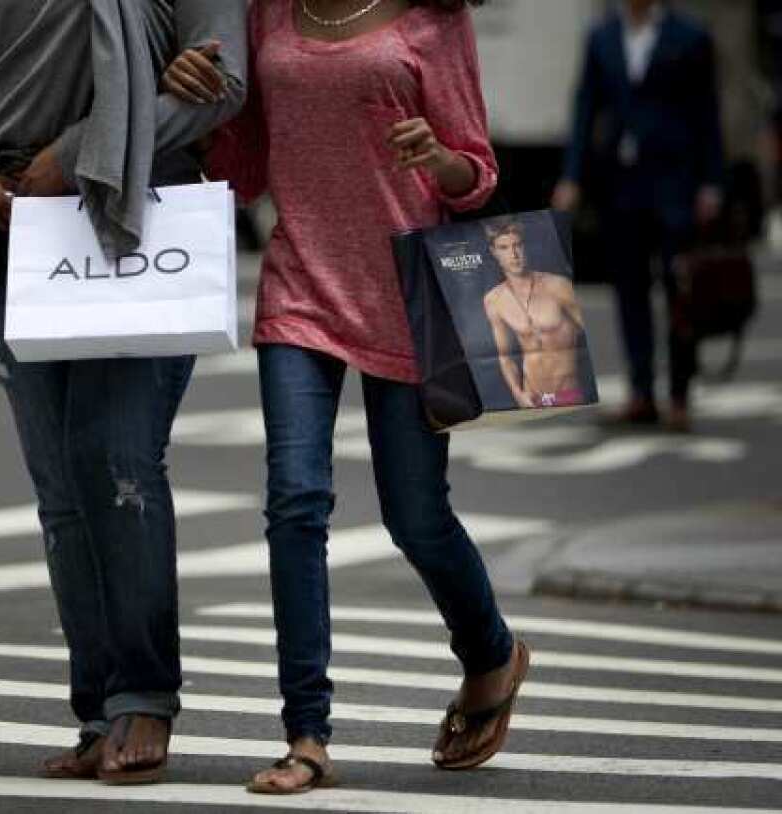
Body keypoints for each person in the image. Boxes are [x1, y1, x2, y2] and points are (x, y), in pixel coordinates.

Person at [163, 0, 528, 794]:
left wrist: (436, 157)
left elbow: (476, 177)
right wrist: (192, 110)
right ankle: (307, 735)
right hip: (300, 289)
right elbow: (245, 168)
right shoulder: (269, 15)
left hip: (409, 296)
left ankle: (492, 653)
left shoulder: (433, 19)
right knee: (295, 501)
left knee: (417, 519)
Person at [0, 0, 247, 785]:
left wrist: (86, 150)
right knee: (61, 487)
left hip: (129, 215)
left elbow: (222, 81)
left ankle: (143, 698)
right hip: (2, 227)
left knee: (116, 462)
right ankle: (97, 709)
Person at [552, 0, 724, 433]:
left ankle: (680, 394)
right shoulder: (602, 37)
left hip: (676, 183)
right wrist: (573, 175)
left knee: (679, 288)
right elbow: (585, 108)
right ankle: (641, 391)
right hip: (620, 183)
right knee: (629, 290)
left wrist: (712, 182)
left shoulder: (690, 36)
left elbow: (707, 113)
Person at [482, 220, 587, 409]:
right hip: (533, 394)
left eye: (518, 245)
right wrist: (518, 394)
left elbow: (589, 334)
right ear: (494, 252)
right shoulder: (494, 299)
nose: (514, 254)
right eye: (504, 247)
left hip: (568, 392)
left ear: (526, 246)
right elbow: (505, 357)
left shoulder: (558, 285)